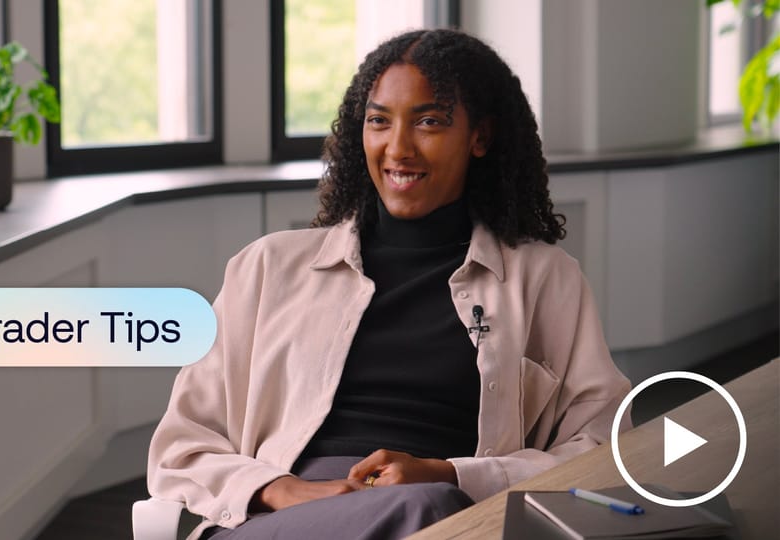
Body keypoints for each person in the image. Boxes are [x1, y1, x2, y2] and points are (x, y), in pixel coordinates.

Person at [148, 28, 632, 540]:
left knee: (431, 511)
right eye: (379, 121)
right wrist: (286, 489)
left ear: (480, 137)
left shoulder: (544, 279)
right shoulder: (266, 268)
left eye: (429, 122)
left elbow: (602, 445)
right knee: (427, 514)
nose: (398, 148)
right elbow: (182, 447)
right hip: (284, 520)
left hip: (451, 513)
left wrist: (452, 474)